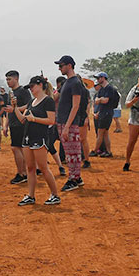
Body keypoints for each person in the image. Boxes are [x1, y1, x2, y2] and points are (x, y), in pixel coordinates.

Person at [14, 76, 61, 206]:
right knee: (30, 168)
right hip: (28, 136)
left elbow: (51, 121)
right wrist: (15, 108)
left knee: (43, 168)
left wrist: (34, 119)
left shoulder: (48, 101)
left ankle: (55, 195)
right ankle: (31, 195)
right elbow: (23, 120)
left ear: (40, 85)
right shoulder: (32, 101)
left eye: (32, 86)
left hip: (39, 137)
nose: (31, 89)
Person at [54, 55, 85, 191]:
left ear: (69, 66)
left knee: (73, 152)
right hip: (63, 121)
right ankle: (76, 177)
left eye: (61, 65)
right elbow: (55, 96)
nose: (59, 68)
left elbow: (75, 106)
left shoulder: (75, 83)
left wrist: (67, 126)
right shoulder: (67, 82)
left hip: (69, 123)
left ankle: (74, 178)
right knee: (69, 151)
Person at [4, 70, 31, 184]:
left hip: (21, 123)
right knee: (17, 148)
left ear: (16, 79)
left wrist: (16, 109)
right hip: (13, 123)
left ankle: (22, 173)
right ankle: (22, 172)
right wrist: (6, 125)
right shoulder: (11, 93)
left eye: (9, 79)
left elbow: (29, 105)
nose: (8, 82)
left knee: (17, 148)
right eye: (7, 80)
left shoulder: (23, 91)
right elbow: (8, 110)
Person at [92, 72, 117, 157]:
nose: (97, 80)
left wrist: (100, 99)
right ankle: (108, 152)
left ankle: (95, 151)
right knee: (105, 133)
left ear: (103, 78)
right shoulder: (102, 89)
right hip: (102, 112)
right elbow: (97, 100)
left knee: (100, 133)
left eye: (98, 78)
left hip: (107, 113)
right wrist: (100, 100)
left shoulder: (109, 88)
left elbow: (105, 100)